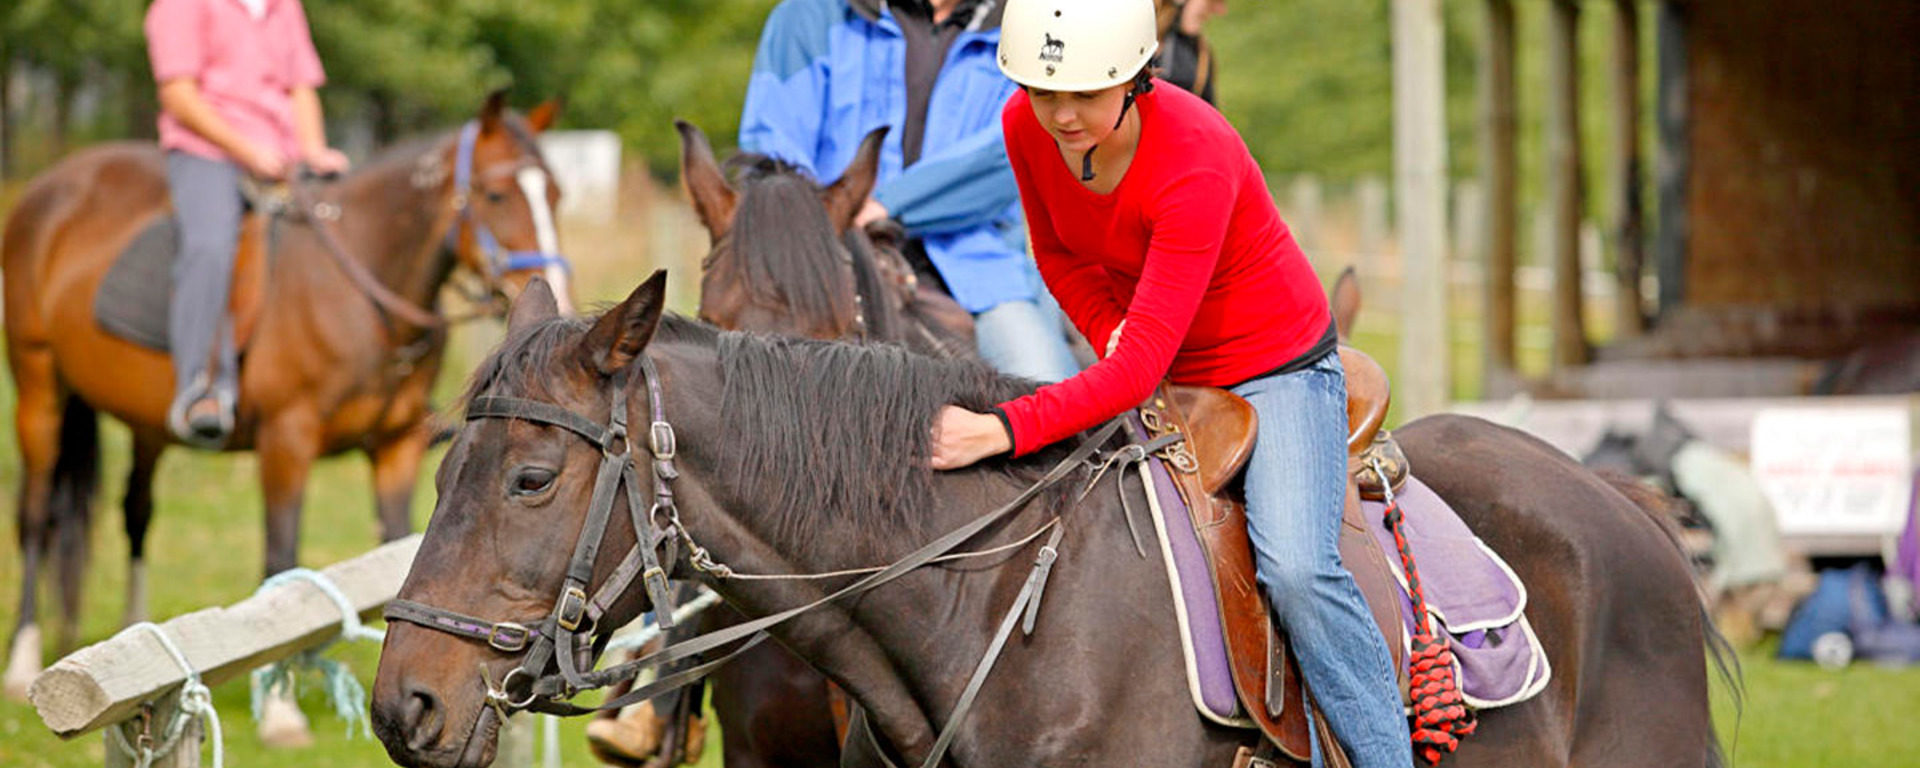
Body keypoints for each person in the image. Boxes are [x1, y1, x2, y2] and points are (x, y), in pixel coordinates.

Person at [927, 1, 1413, 766]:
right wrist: (1108, 327)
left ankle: (1385, 756)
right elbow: (1058, 256)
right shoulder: (1026, 126)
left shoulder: (1195, 154)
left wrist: (1002, 427)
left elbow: (1134, 374)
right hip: (1160, 364)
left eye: (1085, 93)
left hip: (1272, 366)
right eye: (1043, 91)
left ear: (1135, 77)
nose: (1062, 115)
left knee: (1294, 567)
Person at [734, 0, 1080, 383]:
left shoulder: (1033, 25)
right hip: (824, 258)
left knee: (1046, 387)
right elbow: (772, 148)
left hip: (981, 271)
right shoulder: (810, 16)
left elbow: (1016, 145)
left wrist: (885, 205)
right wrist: (826, 218)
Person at [144, 0, 349, 447]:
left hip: (283, 158)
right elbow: (178, 95)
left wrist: (314, 150)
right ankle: (199, 385)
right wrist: (247, 150)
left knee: (348, 233)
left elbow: (301, 88)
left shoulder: (283, 6)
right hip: (207, 152)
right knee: (211, 247)